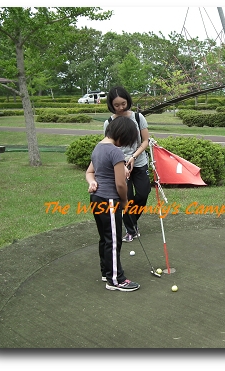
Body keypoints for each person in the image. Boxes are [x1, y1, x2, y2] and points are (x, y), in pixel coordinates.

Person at [86, 116, 141, 292]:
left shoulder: (98, 147)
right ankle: (116, 280)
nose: (124, 145)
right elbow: (120, 183)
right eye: (126, 140)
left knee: (105, 238)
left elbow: (91, 172)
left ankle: (107, 272)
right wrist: (124, 202)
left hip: (96, 199)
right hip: (110, 200)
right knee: (114, 240)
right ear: (121, 135)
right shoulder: (115, 151)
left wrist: (92, 182)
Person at [104, 86, 151, 243]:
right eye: (116, 105)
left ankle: (133, 221)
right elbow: (109, 146)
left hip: (139, 162)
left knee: (143, 193)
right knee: (126, 197)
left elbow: (145, 141)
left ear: (128, 101)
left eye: (123, 104)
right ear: (111, 105)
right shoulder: (109, 123)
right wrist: (122, 164)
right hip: (119, 165)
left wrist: (133, 157)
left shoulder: (138, 118)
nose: (121, 108)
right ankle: (131, 230)